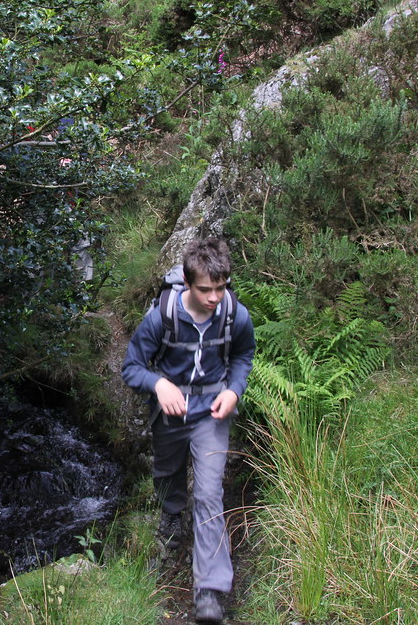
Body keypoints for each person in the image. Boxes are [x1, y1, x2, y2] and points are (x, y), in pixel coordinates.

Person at [121, 237, 255, 624]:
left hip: (212, 415)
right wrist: (159, 385)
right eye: (205, 289)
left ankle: (209, 593)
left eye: (220, 287)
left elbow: (245, 354)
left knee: (211, 495)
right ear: (187, 281)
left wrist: (234, 390)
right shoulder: (161, 316)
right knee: (167, 473)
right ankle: (170, 517)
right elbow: (132, 367)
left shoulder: (234, 313)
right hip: (170, 415)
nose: (214, 297)